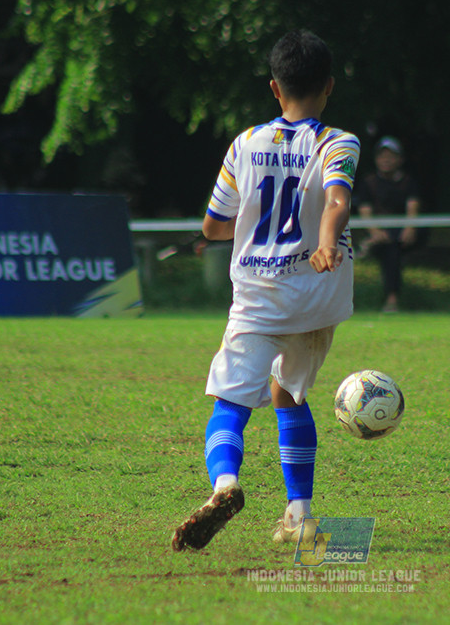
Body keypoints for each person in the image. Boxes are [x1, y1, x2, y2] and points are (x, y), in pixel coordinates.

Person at [171, 30, 360, 552]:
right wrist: (325, 242)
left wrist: (242, 228)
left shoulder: (245, 143)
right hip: (316, 300)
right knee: (288, 395)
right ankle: (299, 516)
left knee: (230, 402)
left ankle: (225, 486)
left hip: (258, 297)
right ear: (329, 86)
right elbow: (338, 201)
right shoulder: (338, 142)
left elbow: (214, 226)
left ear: (275, 88)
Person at [355, 136, 421, 313]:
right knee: (390, 250)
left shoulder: (409, 182)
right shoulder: (368, 183)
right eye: (382, 156)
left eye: (391, 156)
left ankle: (392, 298)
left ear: (400, 159)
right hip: (378, 234)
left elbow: (413, 207)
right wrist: (375, 232)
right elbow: (365, 211)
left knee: (393, 249)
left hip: (401, 234)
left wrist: (410, 228)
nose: (386, 160)